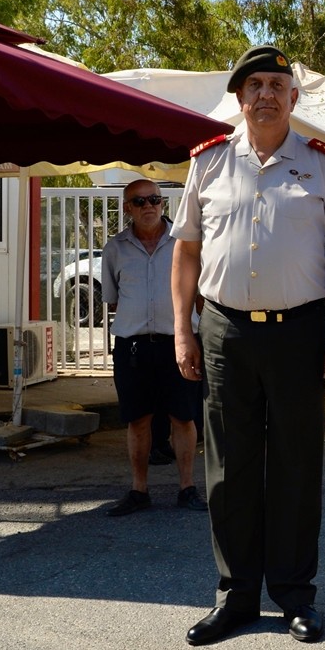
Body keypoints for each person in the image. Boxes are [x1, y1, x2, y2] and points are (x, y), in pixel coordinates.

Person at [172, 45, 325, 646]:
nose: (266, 95)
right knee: (229, 468)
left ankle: (295, 595)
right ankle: (236, 596)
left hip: (299, 332)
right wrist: (183, 330)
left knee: (297, 466)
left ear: (294, 97)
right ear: (240, 97)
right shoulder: (208, 161)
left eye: (277, 85)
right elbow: (187, 251)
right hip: (224, 330)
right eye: (254, 86)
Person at [103, 179, 206, 517]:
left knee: (183, 418)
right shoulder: (115, 248)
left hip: (179, 343)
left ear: (162, 203)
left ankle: (187, 488)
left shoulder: (186, 243)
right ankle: (139, 490)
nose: (148, 206)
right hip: (133, 347)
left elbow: (202, 295)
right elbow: (113, 299)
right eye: (139, 201)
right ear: (127, 208)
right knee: (137, 420)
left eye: (154, 199)